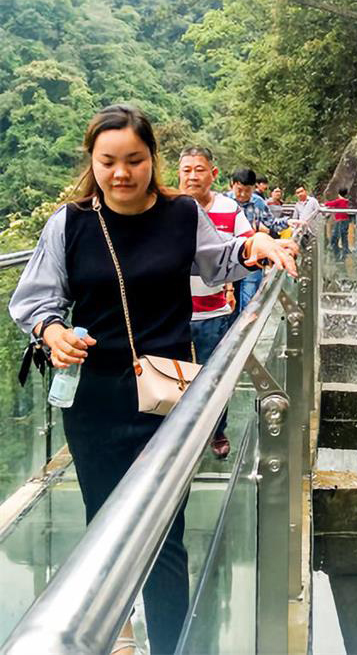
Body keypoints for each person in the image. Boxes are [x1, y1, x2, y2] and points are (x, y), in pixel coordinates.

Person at [8, 104, 297, 655]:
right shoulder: (69, 224)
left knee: (166, 533)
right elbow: (36, 298)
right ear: (91, 161)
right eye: (108, 161)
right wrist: (52, 332)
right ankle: (114, 637)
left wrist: (258, 245)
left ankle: (168, 645)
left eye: (134, 160)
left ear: (151, 161)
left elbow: (221, 259)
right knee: (103, 525)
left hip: (167, 400)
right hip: (94, 400)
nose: (121, 173)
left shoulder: (181, 216)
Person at [178, 145, 253, 459]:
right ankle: (179, 436)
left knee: (213, 376)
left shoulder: (229, 209)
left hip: (214, 311)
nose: (192, 175)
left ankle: (216, 429)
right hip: (174, 314)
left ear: (213, 173)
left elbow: (246, 244)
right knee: (177, 378)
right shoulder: (168, 207)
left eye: (199, 169)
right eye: (186, 170)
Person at [228, 168, 289, 315]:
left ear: (254, 188)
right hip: (229, 260)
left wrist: (289, 222)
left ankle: (245, 333)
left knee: (250, 302)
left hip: (252, 259)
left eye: (247, 191)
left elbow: (271, 223)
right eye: (239, 190)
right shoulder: (224, 202)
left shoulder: (258, 203)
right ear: (232, 185)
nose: (242, 195)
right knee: (230, 305)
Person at [325, 187, 351, 259]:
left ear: (339, 193)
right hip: (346, 220)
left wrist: (324, 204)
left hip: (340, 221)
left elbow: (328, 204)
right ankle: (345, 250)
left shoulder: (339, 201)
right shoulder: (346, 201)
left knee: (335, 236)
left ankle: (335, 251)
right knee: (344, 235)